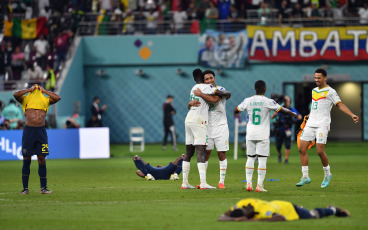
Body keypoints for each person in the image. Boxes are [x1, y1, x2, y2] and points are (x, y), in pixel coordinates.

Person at [296, 68, 359, 188]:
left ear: (325, 78)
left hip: (322, 124)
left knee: (319, 151)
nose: (317, 80)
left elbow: (340, 105)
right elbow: (316, 106)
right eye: (315, 78)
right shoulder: (314, 91)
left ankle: (327, 174)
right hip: (311, 123)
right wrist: (310, 115)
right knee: (301, 148)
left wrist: (352, 115)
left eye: (319, 78)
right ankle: (305, 177)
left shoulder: (331, 91)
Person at [234, 80, 297, 192]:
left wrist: (238, 114)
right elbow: (281, 110)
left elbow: (236, 109)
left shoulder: (248, 100)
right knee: (262, 159)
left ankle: (248, 184)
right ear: (264, 89)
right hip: (262, 135)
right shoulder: (267, 101)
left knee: (250, 158)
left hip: (251, 134)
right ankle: (259, 186)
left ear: (255, 88)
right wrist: (292, 113)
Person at [182, 68, 231, 189]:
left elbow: (216, 98)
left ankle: (221, 182)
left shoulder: (219, 89)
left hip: (221, 126)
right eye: (207, 79)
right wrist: (189, 103)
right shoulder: (204, 88)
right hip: (205, 125)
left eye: (211, 78)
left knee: (221, 153)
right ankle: (203, 181)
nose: (209, 80)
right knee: (205, 152)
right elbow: (194, 101)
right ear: (203, 81)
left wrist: (200, 95)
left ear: (215, 78)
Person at [13, 84, 61, 195]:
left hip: (41, 132)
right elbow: (16, 94)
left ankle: (43, 188)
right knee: (26, 159)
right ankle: (25, 189)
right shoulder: (26, 99)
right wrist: (28, 90)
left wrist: (45, 91)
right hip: (29, 131)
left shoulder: (45, 100)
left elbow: (58, 98)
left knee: (41, 159)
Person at [218, 198, 350, 222]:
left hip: (288, 209)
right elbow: (222, 216)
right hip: (278, 204)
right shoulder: (243, 204)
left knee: (312, 215)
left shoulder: (265, 211)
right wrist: (234, 218)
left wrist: (251, 222)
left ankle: (333, 210)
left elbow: (281, 218)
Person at [271, 96, 302, 164]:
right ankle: (279, 153)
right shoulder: (280, 109)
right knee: (278, 145)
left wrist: (297, 116)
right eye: (285, 101)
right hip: (280, 129)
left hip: (288, 129)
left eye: (287, 101)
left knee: (287, 144)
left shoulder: (292, 109)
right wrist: (275, 114)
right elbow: (272, 116)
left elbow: (299, 116)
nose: (286, 102)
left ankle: (286, 159)